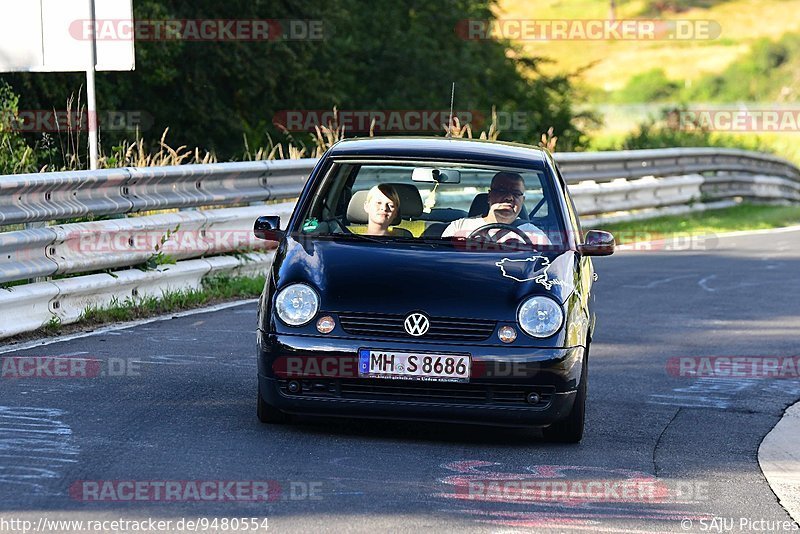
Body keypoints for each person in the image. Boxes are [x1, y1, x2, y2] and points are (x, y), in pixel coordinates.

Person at [441, 171, 550, 244]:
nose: (509, 197)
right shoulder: (459, 227)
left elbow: (547, 270)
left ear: (523, 201)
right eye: (502, 191)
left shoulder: (535, 236)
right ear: (489, 196)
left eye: (516, 193)